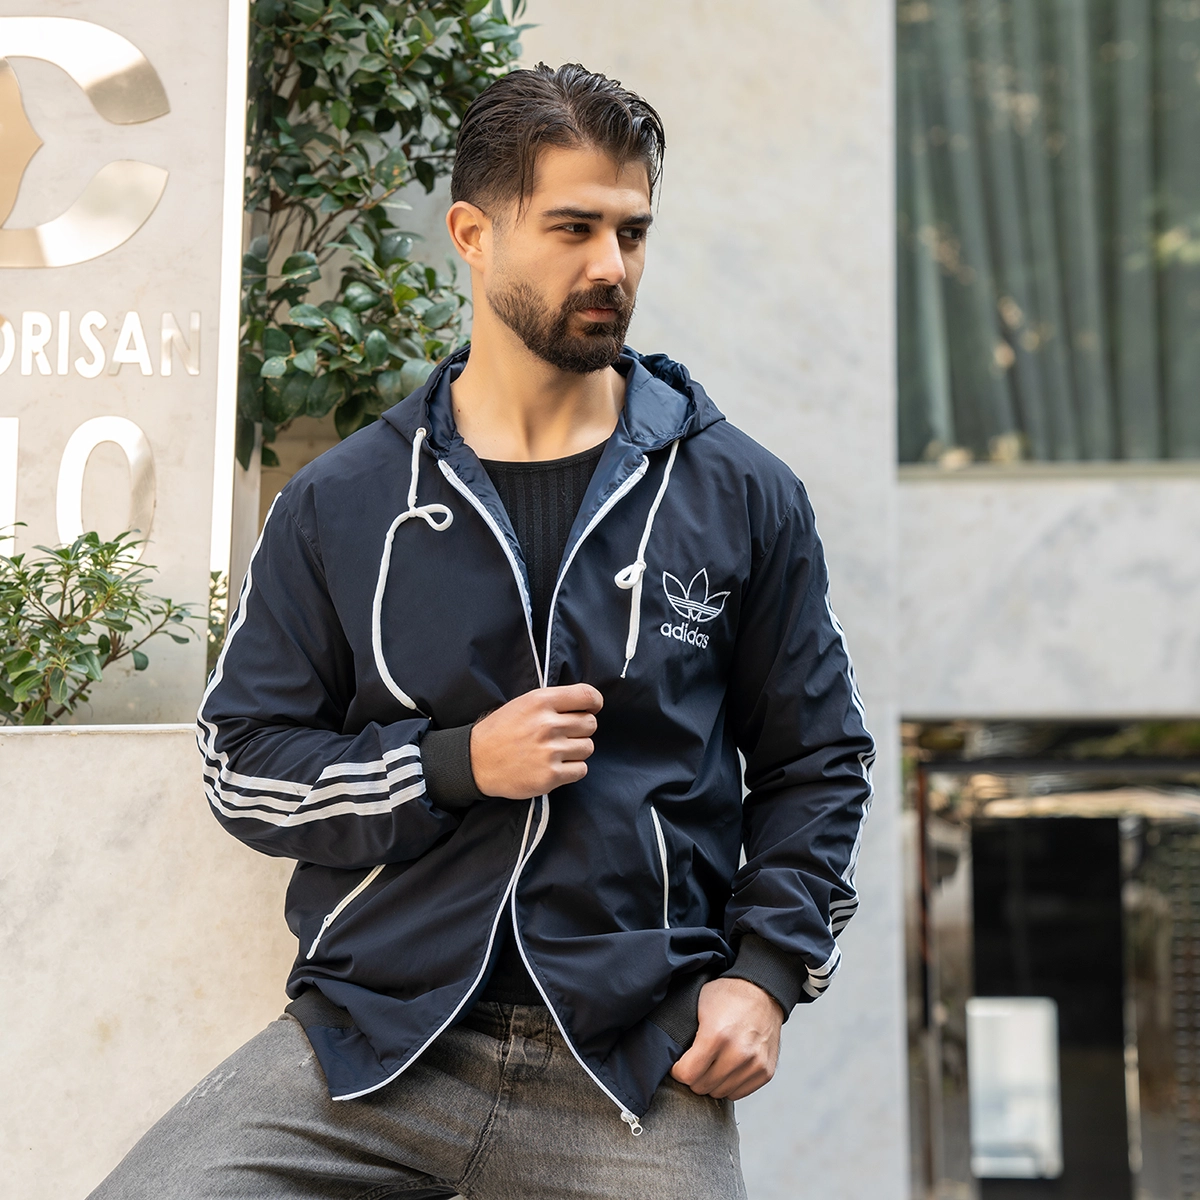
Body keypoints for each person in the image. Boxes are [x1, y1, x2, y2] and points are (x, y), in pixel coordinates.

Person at [90, 63, 874, 1199]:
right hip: (377, 1041)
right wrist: (452, 766)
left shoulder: (739, 493)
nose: (611, 266)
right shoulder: (343, 502)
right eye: (573, 228)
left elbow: (820, 760)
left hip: (631, 1060)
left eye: (632, 233)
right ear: (473, 233)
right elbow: (242, 765)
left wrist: (765, 975)